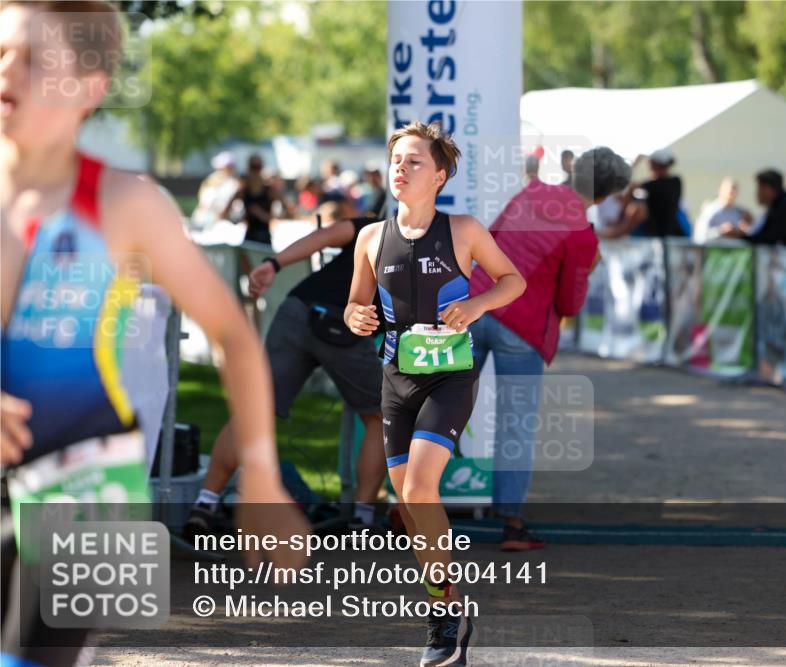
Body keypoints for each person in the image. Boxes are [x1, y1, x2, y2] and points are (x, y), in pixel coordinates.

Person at [0, 3, 308, 664]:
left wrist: (259, 472)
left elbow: (231, 333)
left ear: (89, 85)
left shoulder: (126, 204)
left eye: (32, 58)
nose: (7, 72)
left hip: (77, 488)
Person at [345, 121, 525, 667]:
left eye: (414, 161)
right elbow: (357, 304)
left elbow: (511, 281)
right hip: (395, 379)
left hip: (450, 376)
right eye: (397, 159)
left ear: (439, 175)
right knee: (411, 503)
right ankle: (447, 612)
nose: (401, 167)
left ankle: (444, 621)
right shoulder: (370, 238)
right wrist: (358, 316)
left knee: (422, 488)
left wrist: (476, 306)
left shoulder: (465, 230)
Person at [183, 197, 387, 540]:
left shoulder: (373, 226)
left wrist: (273, 265)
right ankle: (363, 518)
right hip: (347, 329)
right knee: (381, 417)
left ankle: (205, 503)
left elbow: (322, 238)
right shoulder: (427, 245)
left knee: (255, 412)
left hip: (301, 310)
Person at [468, 146, 629, 551]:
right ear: (605, 195)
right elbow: (569, 304)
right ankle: (513, 525)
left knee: (442, 407)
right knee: (515, 425)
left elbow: (488, 240)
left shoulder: (528, 194)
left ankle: (413, 502)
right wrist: (588, 270)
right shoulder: (582, 234)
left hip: (475, 305)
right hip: (521, 327)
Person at [604, 147, 684, 238]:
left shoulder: (650, 186)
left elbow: (620, 195)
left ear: (653, 164)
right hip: (672, 236)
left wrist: (634, 164)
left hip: (655, 237)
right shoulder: (676, 181)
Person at [221, 154, 296, 247]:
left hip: (265, 237)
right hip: (249, 236)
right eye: (254, 167)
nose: (256, 171)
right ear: (249, 168)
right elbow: (224, 213)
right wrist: (237, 220)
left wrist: (267, 216)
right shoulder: (243, 191)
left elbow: (290, 210)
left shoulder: (270, 191)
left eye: (258, 167)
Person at [692, 177, 750, 244]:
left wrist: (742, 231)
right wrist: (720, 231)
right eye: (730, 192)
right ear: (720, 190)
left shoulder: (740, 212)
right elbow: (699, 236)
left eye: (734, 191)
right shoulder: (710, 210)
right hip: (713, 251)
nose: (732, 195)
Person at [191, 150, 240, 228]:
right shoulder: (212, 180)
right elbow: (205, 202)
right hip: (207, 219)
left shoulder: (234, 182)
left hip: (224, 221)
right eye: (229, 166)